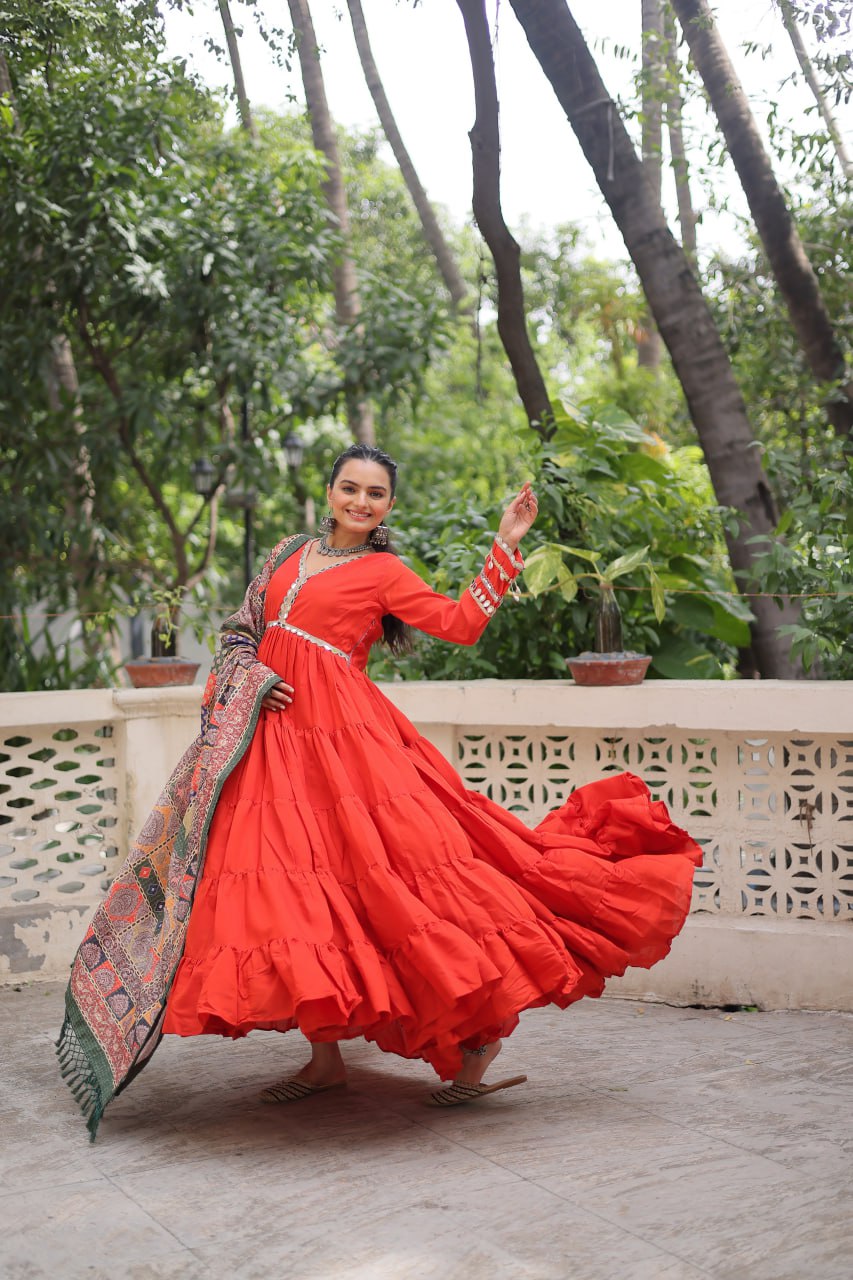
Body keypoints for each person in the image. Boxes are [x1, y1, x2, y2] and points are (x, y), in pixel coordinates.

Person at [58, 445, 701, 1136]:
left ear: (389, 505)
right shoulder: (285, 554)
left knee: (405, 883)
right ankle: (325, 1059)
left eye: (375, 493)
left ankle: (478, 1042)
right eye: (349, 488)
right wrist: (254, 678)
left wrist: (505, 546)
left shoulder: (385, 572)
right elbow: (239, 634)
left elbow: (461, 626)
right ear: (328, 492)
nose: (360, 501)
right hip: (269, 748)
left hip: (347, 750)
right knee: (299, 897)